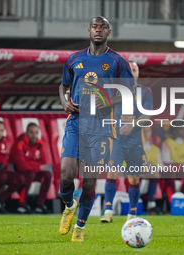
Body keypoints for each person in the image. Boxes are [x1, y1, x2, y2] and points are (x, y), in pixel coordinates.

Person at [58, 16, 135, 241]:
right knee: (65, 175)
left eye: (102, 27)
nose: (98, 31)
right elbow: (64, 84)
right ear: (88, 31)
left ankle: (80, 228)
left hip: (101, 127)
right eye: (95, 27)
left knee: (89, 181)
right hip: (76, 122)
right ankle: (69, 206)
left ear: (109, 32)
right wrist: (64, 102)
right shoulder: (74, 59)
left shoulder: (117, 62)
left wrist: (110, 102)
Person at [100, 61, 152, 224]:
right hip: (117, 140)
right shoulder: (115, 90)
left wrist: (132, 124)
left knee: (134, 179)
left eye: (134, 70)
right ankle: (108, 211)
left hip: (135, 142)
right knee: (112, 173)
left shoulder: (145, 92)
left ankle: (132, 213)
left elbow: (147, 116)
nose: (131, 72)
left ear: (138, 73)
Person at [9, 123, 52, 214]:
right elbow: (22, 166)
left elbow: (43, 163)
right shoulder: (20, 143)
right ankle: (22, 204)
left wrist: (32, 164)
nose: (34, 135)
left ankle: (40, 205)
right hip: (20, 173)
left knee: (47, 175)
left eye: (36, 132)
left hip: (32, 172)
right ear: (26, 133)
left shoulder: (40, 144)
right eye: (31, 132)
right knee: (30, 174)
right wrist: (37, 166)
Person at [142, 126, 162, 214]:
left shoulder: (155, 149)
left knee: (154, 174)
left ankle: (151, 204)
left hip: (151, 173)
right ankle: (151, 203)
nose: (146, 134)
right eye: (144, 131)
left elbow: (161, 166)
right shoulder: (135, 147)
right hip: (137, 172)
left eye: (148, 131)